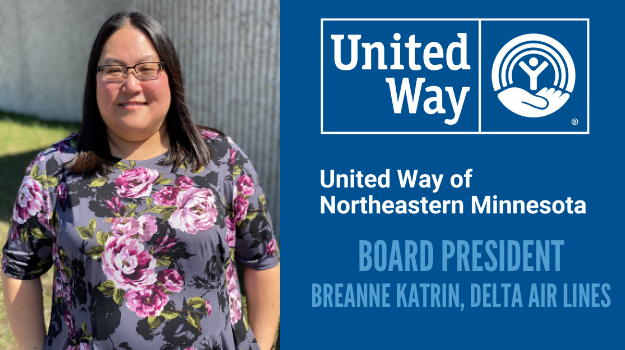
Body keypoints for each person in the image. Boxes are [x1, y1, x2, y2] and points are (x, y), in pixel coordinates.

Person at [1, 12, 280, 350]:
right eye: (114, 70)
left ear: (171, 76)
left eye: (147, 68)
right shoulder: (53, 170)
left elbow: (261, 259)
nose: (131, 85)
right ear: (94, 80)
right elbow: (20, 267)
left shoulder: (221, 160)